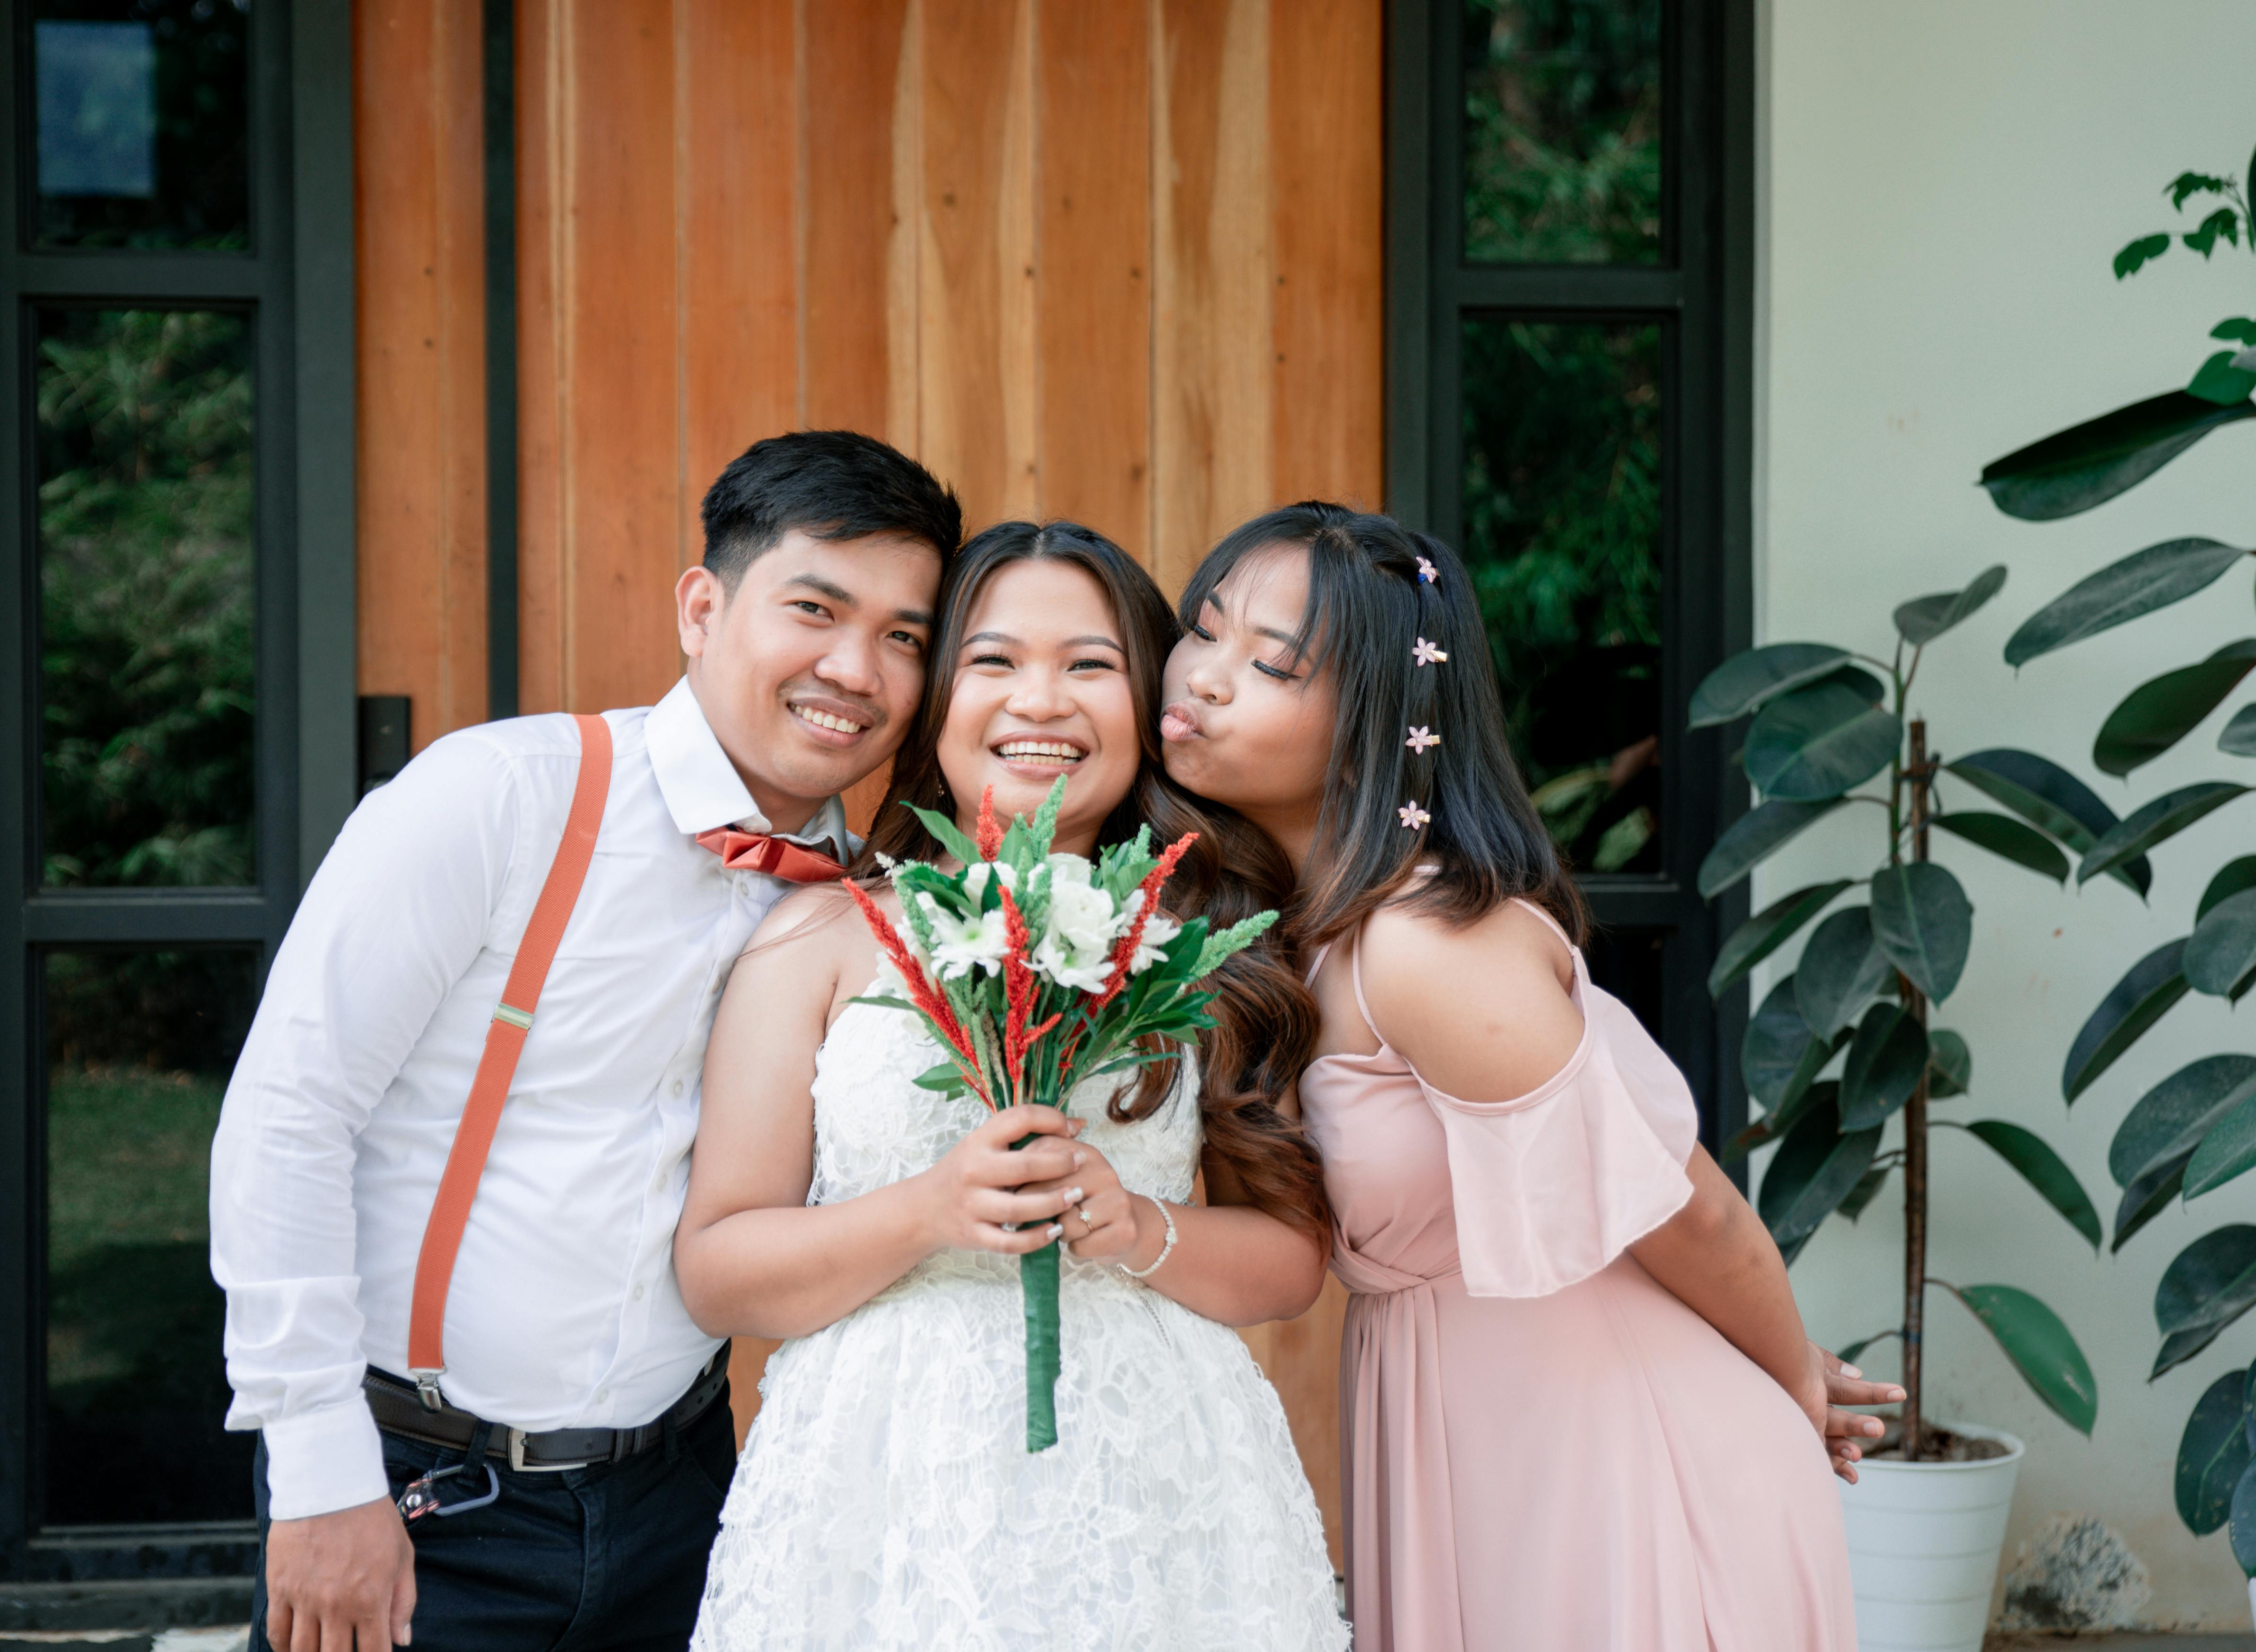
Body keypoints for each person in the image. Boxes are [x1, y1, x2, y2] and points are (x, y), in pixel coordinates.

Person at [208, 431, 962, 1652]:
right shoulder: (501, 796)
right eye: (813, 607)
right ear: (701, 607)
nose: (853, 668)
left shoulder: (876, 907)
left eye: (903, 636)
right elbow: (287, 1118)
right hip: (423, 1496)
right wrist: (318, 1468)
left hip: (691, 1499)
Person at [1157, 503, 1894, 1652]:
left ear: (1372, 725)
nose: (1200, 677)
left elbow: (1686, 1210)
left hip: (1623, 1466)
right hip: (1478, 1442)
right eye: (1202, 631)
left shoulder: (1422, 942)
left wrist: (1796, 1376)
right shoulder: (1287, 935)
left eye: (1267, 662)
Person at [672, 522, 1349, 1651]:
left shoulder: (1209, 948)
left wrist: (1135, 1227)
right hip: (881, 1491)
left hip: (1150, 1487)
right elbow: (716, 1274)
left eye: (1089, 666)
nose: (1040, 702)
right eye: (992, 663)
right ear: (936, 702)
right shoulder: (824, 937)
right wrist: (929, 1212)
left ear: (1149, 705)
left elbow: (1288, 1263)